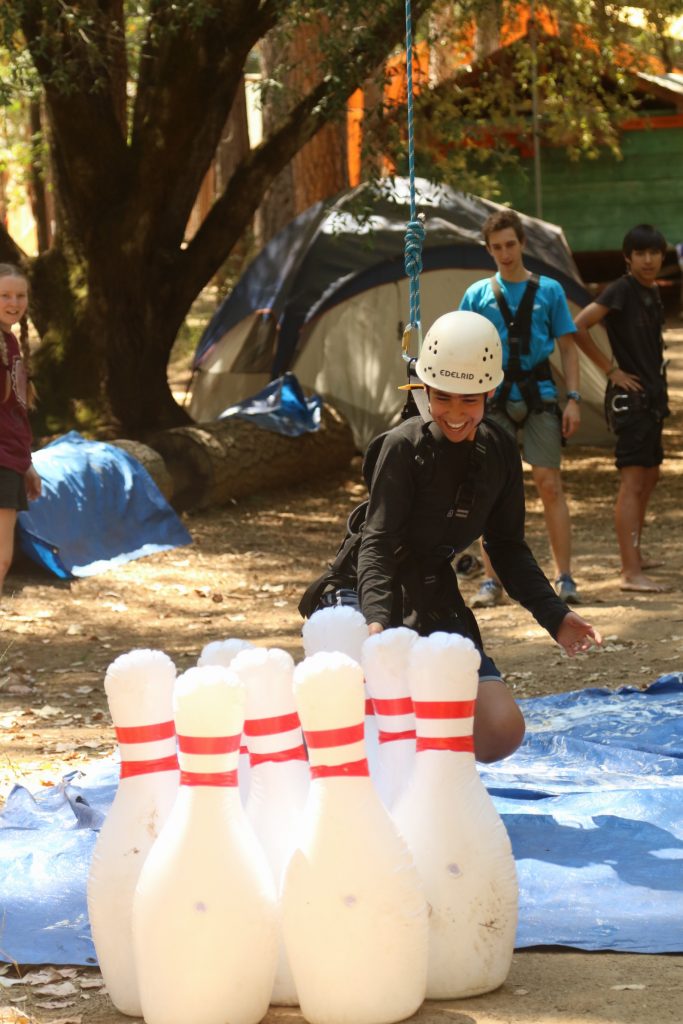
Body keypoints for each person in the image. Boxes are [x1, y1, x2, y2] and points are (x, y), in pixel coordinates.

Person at [300, 311, 601, 763]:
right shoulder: (402, 447)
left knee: (500, 730)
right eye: (443, 398)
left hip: (431, 592)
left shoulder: (498, 450)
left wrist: (554, 614)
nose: (456, 414)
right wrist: (377, 624)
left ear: (490, 393)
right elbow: (377, 543)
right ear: (423, 390)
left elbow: (507, 547)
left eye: (470, 400)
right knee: (370, 709)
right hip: (364, 589)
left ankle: (427, 764)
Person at [459, 209, 582, 607]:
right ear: (489, 250)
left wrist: (574, 400)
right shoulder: (477, 294)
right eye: (496, 247)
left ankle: (564, 577)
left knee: (549, 484)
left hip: (540, 394)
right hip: (492, 398)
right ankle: (492, 582)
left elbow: (567, 347)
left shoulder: (550, 291)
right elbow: (463, 346)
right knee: (491, 489)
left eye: (510, 245)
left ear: (523, 243)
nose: (505, 253)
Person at [573, 225, 669, 593]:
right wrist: (611, 370)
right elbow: (578, 326)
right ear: (628, 258)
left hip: (652, 399)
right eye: (640, 253)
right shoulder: (622, 289)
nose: (648, 260)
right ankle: (630, 572)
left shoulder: (650, 292)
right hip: (631, 402)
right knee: (633, 482)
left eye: (654, 253)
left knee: (650, 477)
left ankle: (636, 554)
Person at [0, 262, 42, 595]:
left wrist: (25, 462)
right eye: (4, 295)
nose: (14, 302)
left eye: (20, 295)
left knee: (2, 559)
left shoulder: (10, 343)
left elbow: (13, 413)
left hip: (9, 461)